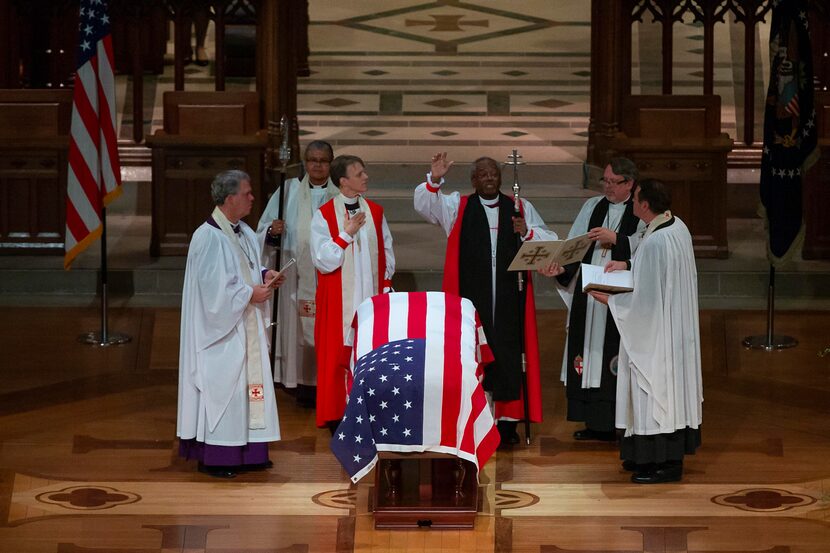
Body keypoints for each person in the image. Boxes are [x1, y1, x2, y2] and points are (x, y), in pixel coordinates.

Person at [414, 152, 558, 446]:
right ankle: (473, 420)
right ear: (473, 180)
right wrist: (436, 178)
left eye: (493, 173)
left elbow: (549, 240)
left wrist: (527, 231)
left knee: (506, 351)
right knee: (472, 352)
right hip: (471, 296)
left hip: (508, 295)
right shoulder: (458, 206)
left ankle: (506, 424)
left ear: (500, 177)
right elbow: (426, 206)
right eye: (483, 174)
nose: (489, 178)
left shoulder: (519, 207)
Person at [589, 178, 703, 484]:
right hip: (673, 327)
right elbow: (656, 275)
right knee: (662, 392)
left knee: (651, 391)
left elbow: (646, 301)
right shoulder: (675, 225)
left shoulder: (656, 242)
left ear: (644, 206)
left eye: (636, 199)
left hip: (657, 334)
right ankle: (646, 457)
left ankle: (663, 463)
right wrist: (627, 263)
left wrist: (610, 299)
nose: (633, 204)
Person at [177, 170, 285, 479]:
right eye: (247, 193)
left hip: (244, 324)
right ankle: (219, 456)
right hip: (222, 334)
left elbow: (248, 266)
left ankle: (250, 452)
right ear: (229, 199)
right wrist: (250, 293)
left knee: (249, 391)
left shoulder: (244, 232)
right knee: (225, 391)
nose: (253, 198)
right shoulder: (207, 237)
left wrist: (264, 275)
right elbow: (213, 294)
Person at [539, 157, 645, 442]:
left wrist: (617, 238)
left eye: (614, 182)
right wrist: (561, 268)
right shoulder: (592, 207)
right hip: (589, 295)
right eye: (606, 181)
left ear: (630, 183)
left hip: (620, 297)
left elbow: (646, 250)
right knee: (587, 355)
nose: (608, 187)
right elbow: (574, 246)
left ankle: (620, 423)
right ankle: (595, 423)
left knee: (613, 357)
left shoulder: (640, 210)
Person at [310, 155, 395, 432]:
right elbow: (323, 260)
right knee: (337, 355)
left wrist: (385, 283)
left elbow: (387, 252)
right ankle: (338, 414)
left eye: (364, 171)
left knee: (371, 355)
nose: (366, 177)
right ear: (343, 182)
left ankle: (371, 411)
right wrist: (345, 234)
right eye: (359, 173)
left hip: (371, 298)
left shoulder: (376, 212)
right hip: (338, 301)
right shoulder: (323, 216)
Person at [257, 141, 338, 408]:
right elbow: (262, 230)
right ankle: (296, 382)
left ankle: (327, 383)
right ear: (304, 162)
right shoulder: (288, 191)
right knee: (295, 330)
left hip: (328, 280)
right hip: (296, 281)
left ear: (331, 163)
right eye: (312, 160)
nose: (317, 165)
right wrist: (272, 231)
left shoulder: (340, 196)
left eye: (323, 161)